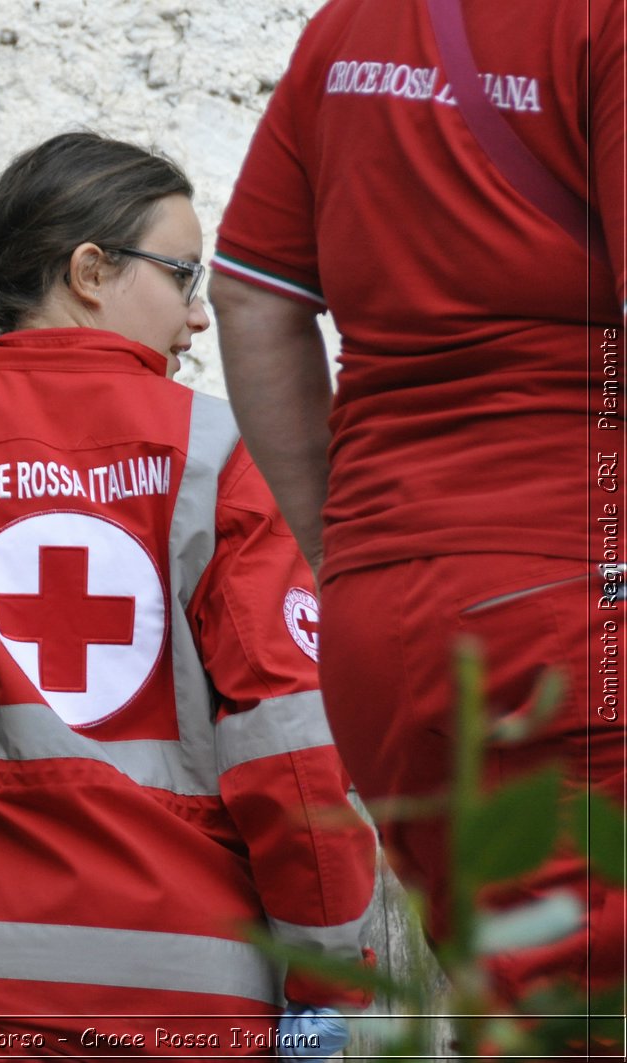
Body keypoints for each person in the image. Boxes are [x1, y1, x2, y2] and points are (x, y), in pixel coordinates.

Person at [0, 131, 379, 1059]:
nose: (197, 318)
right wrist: (329, 970)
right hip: (196, 997)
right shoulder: (221, 452)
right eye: (183, 277)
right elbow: (289, 745)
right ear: (91, 270)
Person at [210, 0, 624, 1006]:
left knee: (524, 1004)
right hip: (573, 594)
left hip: (381, 621)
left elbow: (250, 297)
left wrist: (345, 546)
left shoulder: (347, 28)